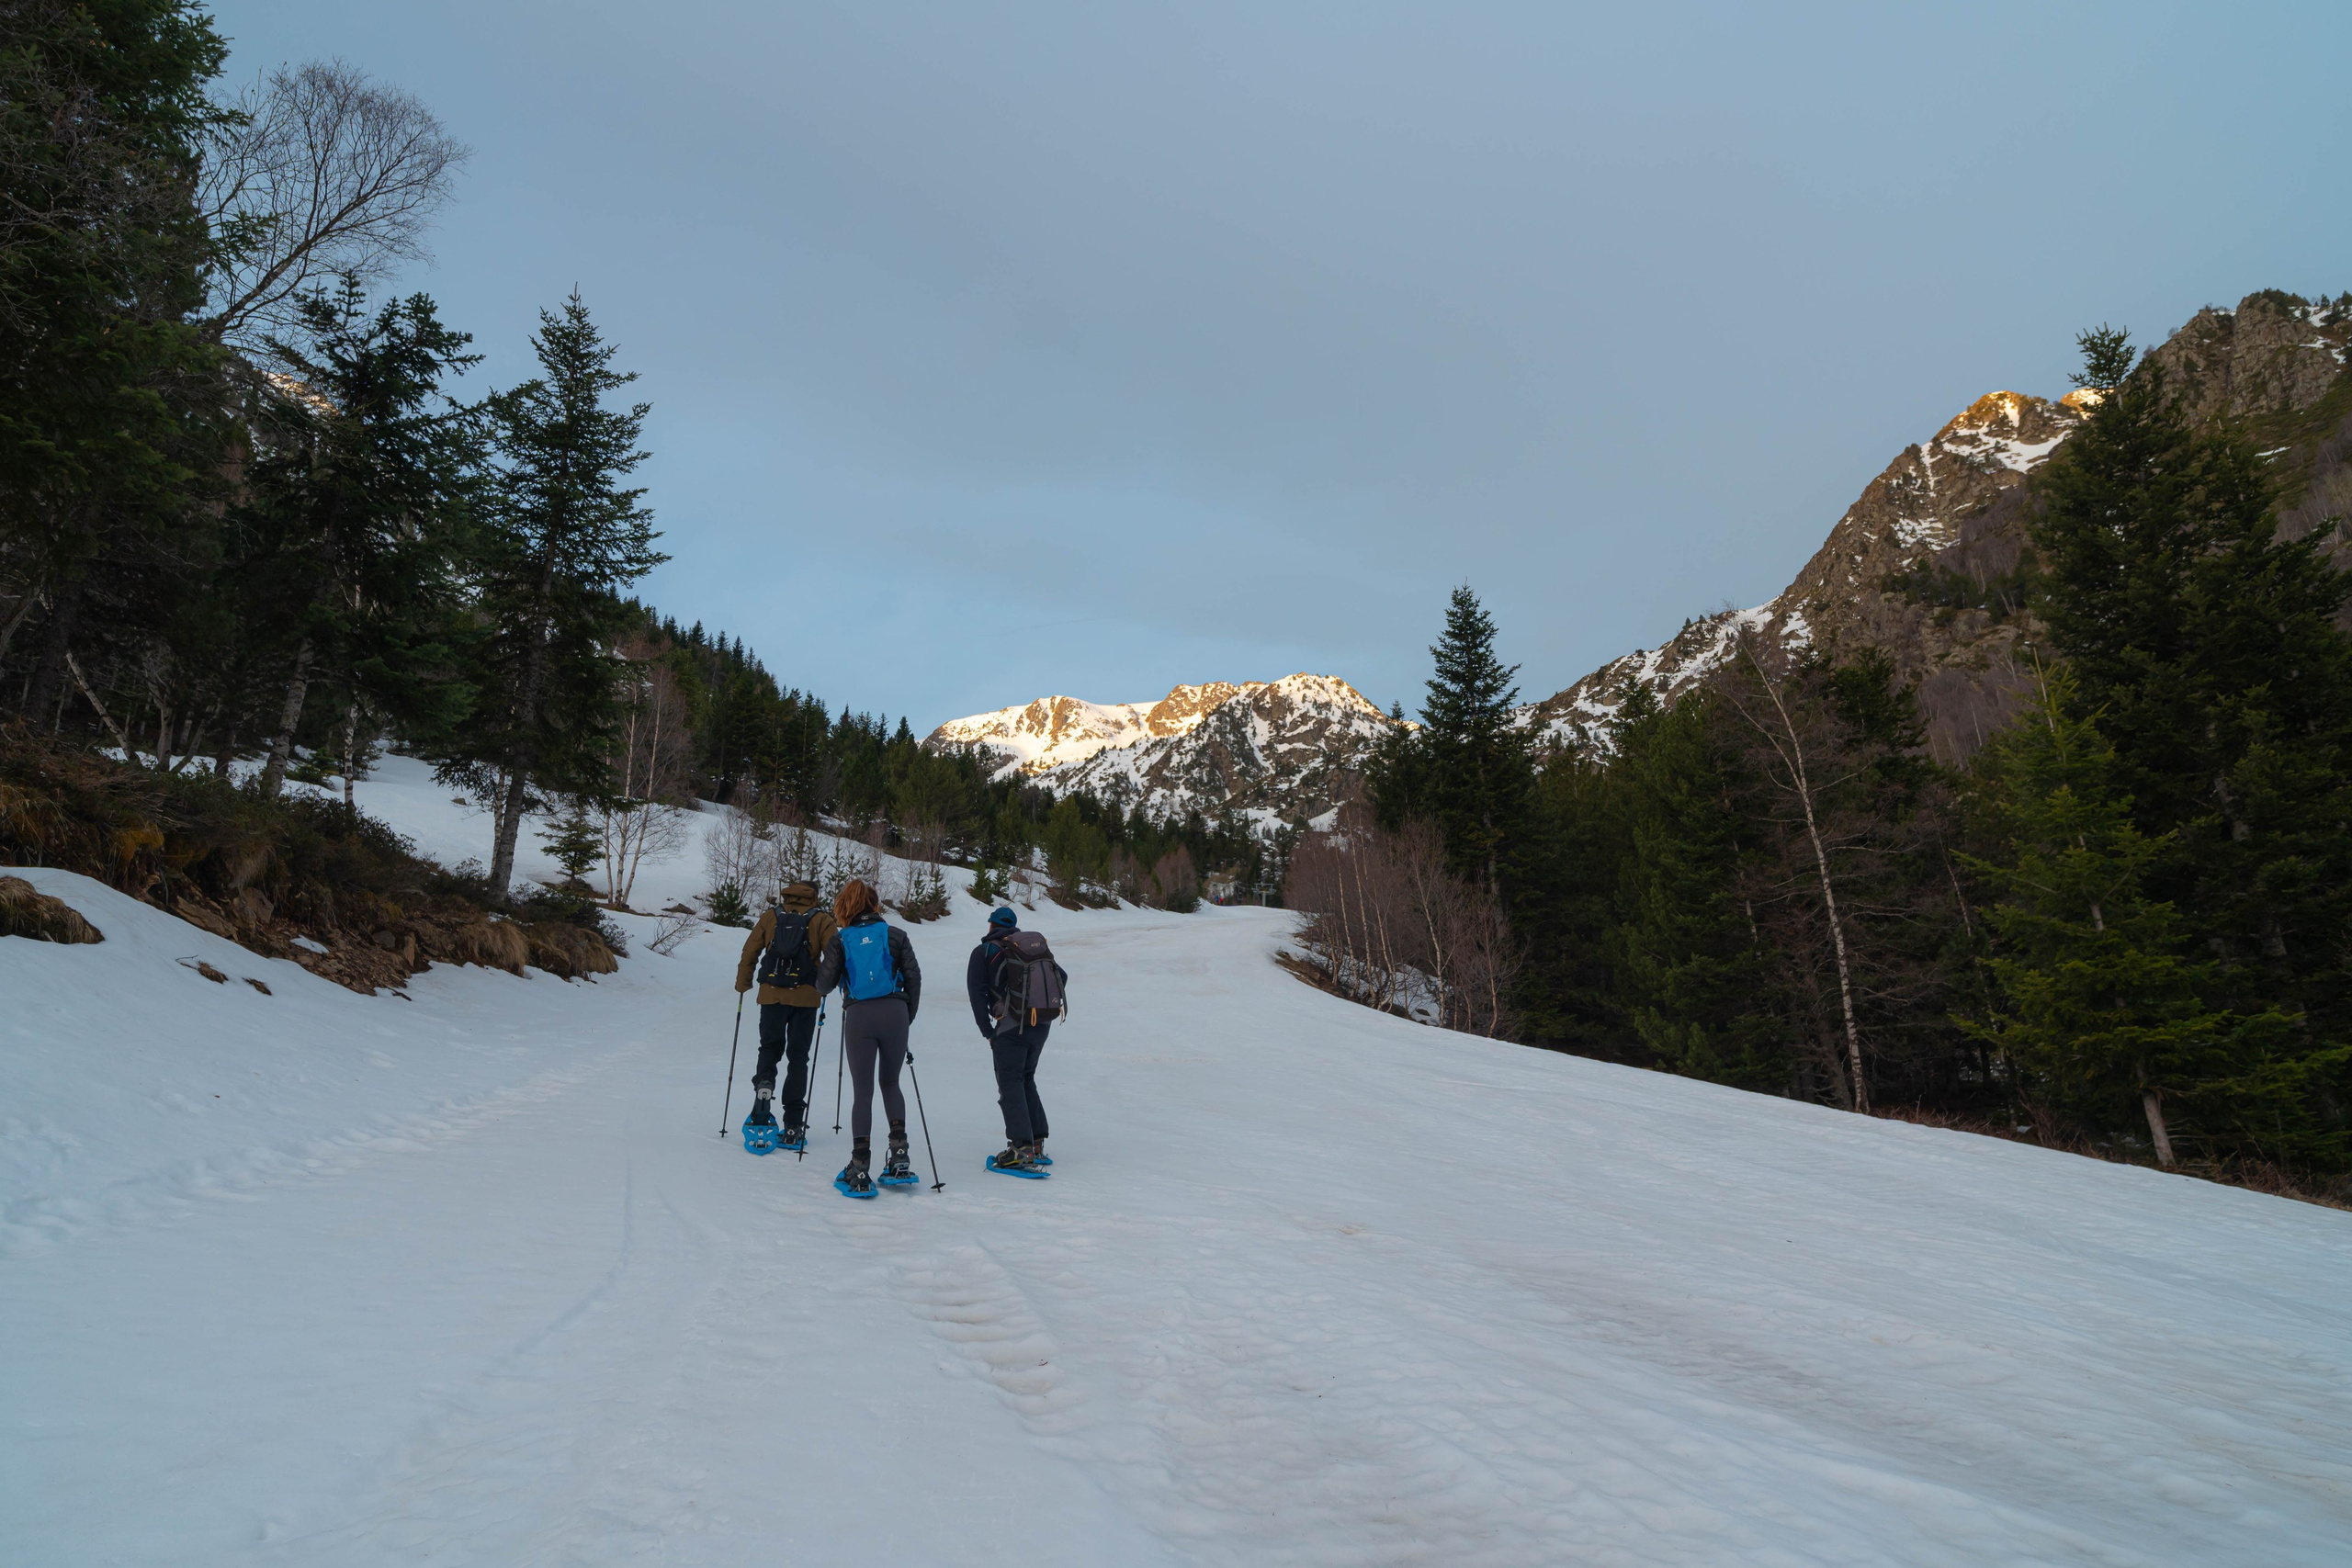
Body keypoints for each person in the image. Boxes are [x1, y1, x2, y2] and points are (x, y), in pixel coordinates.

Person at [813, 877, 922, 1196]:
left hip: (860, 1016)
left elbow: (824, 985)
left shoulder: (841, 939)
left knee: (863, 1092)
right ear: (875, 905)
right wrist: (906, 1016)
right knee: (891, 1082)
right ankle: (899, 1156)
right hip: (895, 1013)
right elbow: (914, 978)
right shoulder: (896, 935)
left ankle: (860, 1167)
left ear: (845, 907)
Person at [734, 880, 837, 1147]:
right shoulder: (822, 919)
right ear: (814, 896)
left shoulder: (771, 916)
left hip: (771, 995)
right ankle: (793, 1124)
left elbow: (750, 950)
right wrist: (830, 986)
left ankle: (764, 1085)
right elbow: (835, 955)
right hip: (806, 998)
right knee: (798, 1057)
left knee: (769, 1047)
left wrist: (743, 983)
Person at [967, 906, 1066, 1175]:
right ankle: (1036, 1142)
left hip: (1011, 1028)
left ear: (991, 925)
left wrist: (988, 1032)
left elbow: (977, 995)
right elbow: (1062, 977)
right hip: (1041, 1024)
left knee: (1010, 1082)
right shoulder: (1030, 949)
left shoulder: (984, 952)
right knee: (1026, 1078)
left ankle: (1020, 1149)